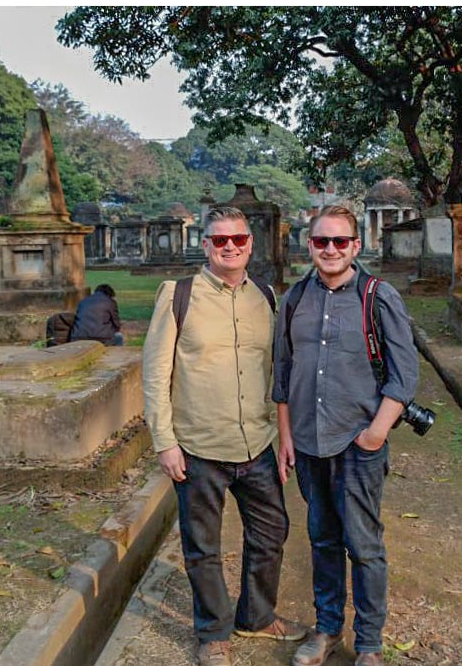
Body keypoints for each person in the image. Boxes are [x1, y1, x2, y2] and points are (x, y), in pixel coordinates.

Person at [143, 207, 303, 665]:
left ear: (250, 243)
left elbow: (277, 373)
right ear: (205, 245)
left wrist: (285, 434)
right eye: (218, 240)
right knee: (202, 544)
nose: (228, 246)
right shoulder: (179, 295)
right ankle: (213, 632)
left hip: (256, 443)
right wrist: (164, 441)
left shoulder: (266, 298)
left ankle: (255, 616)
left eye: (237, 238)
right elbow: (155, 372)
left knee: (272, 531)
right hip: (198, 446)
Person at [274, 203, 419, 666]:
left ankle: (371, 643)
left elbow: (404, 375)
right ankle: (327, 628)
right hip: (308, 440)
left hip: (357, 443)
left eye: (340, 241)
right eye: (322, 241)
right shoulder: (295, 299)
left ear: (356, 246)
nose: (331, 249)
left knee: (365, 545)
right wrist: (286, 436)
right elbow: (282, 373)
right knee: (322, 539)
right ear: (309, 244)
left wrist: (376, 433)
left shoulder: (378, 297)